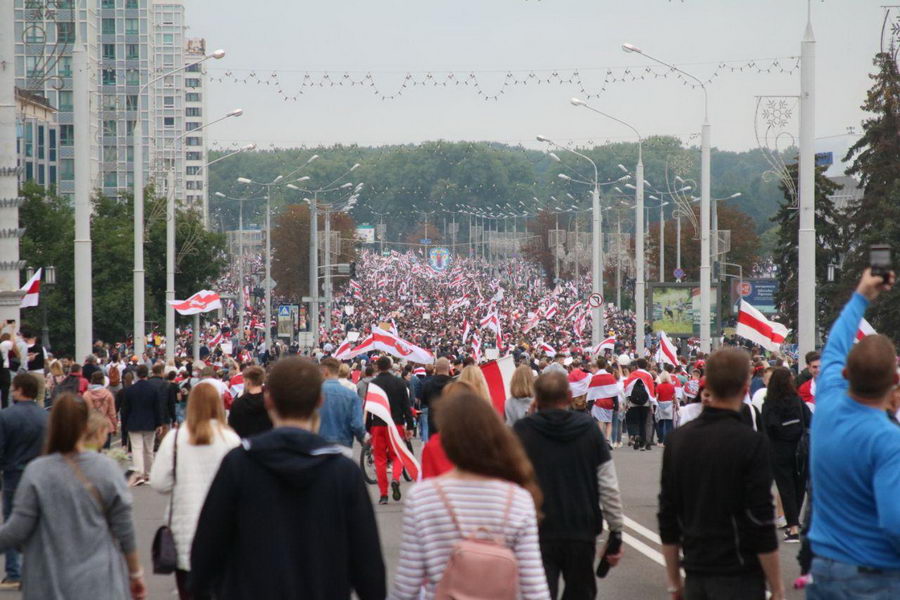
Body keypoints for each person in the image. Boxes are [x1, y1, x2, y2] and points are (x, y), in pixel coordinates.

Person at [190, 357, 385, 599]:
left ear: (268, 400)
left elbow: (206, 550)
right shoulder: (343, 473)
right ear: (319, 401)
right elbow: (369, 567)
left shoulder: (238, 464)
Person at [390, 388, 550, 600]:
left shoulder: (422, 498)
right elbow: (534, 588)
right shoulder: (517, 499)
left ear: (447, 438)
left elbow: (407, 586)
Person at [658, 347, 783, 600]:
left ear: (708, 383)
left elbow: (668, 516)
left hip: (695, 572)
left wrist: (674, 583)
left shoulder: (679, 440)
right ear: (746, 385)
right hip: (739, 574)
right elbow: (760, 519)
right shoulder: (751, 443)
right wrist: (777, 587)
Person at [806, 269, 900, 599]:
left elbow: (835, 346)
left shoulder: (827, 404)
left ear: (846, 373)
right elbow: (895, 523)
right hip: (876, 576)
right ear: (894, 383)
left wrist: (861, 294)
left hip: (824, 569)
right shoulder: (889, 440)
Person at [0, 393, 146, 599]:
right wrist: (135, 573)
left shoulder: (37, 472)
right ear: (86, 425)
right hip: (100, 580)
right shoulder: (107, 469)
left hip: (48, 581)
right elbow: (124, 530)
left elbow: (17, 530)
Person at [514, 370, 624, 599]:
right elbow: (608, 484)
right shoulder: (589, 430)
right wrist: (616, 531)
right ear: (568, 396)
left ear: (536, 398)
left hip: (536, 530)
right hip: (581, 528)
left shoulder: (522, 432)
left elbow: (509, 483)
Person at [150, 382, 241, 600]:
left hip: (184, 532)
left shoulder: (175, 438)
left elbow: (159, 482)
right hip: (223, 531)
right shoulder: (230, 439)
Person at [0, 373, 48, 589]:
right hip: (41, 477)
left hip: (14, 475)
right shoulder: (46, 417)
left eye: (13, 388)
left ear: (19, 390)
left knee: (12, 523)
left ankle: (14, 573)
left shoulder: (5, 416)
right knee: (38, 523)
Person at [760, 367, 810, 543]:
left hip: (778, 450)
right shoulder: (797, 400)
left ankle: (793, 527)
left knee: (785, 488)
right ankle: (795, 522)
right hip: (799, 449)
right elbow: (809, 419)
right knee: (799, 486)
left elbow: (766, 429)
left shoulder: (769, 404)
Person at [367, 356, 415, 504]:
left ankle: (383, 494)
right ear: (390, 366)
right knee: (398, 455)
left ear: (377, 367)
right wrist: (410, 426)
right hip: (396, 424)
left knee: (380, 460)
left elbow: (368, 408)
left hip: (378, 424)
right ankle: (395, 478)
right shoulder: (400, 383)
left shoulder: (373, 384)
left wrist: (368, 428)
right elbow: (406, 407)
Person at [120, 365, 164, 485]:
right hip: (150, 423)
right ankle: (149, 474)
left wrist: (124, 425)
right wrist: (159, 423)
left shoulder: (130, 390)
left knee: (137, 449)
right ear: (147, 374)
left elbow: (125, 410)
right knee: (149, 450)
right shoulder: (153, 389)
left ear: (137, 375)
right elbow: (157, 408)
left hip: (133, 423)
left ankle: (139, 475)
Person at [318, 358, 366, 454]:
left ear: (325, 372)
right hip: (343, 446)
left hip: (319, 445)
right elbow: (357, 424)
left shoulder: (313, 393)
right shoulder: (351, 395)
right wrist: (363, 439)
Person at [227, 366, 272, 438]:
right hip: (267, 442)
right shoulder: (270, 402)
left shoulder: (238, 404)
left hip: (245, 443)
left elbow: (232, 428)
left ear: (248, 381)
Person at [82, 371, 117, 448]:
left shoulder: (86, 395)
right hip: (106, 425)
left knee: (92, 451)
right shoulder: (108, 394)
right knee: (106, 452)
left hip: (91, 425)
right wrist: (115, 426)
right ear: (102, 381)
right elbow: (112, 413)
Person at [420, 357, 452, 438]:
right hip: (450, 422)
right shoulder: (455, 384)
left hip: (433, 421)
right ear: (448, 368)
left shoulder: (428, 384)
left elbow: (424, 401)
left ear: (436, 369)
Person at [656, 371, 676, 446]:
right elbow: (674, 397)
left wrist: (655, 403)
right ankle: (667, 441)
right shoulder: (671, 386)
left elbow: (657, 397)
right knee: (669, 425)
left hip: (661, 404)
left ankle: (660, 441)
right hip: (669, 405)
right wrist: (676, 405)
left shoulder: (659, 386)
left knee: (660, 424)